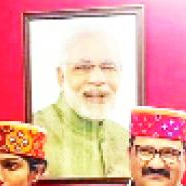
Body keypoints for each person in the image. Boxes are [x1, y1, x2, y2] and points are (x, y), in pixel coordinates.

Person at [34, 29, 130, 178]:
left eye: (108, 68)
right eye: (83, 68)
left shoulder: (127, 141)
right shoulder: (33, 135)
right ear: (61, 76)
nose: (97, 79)